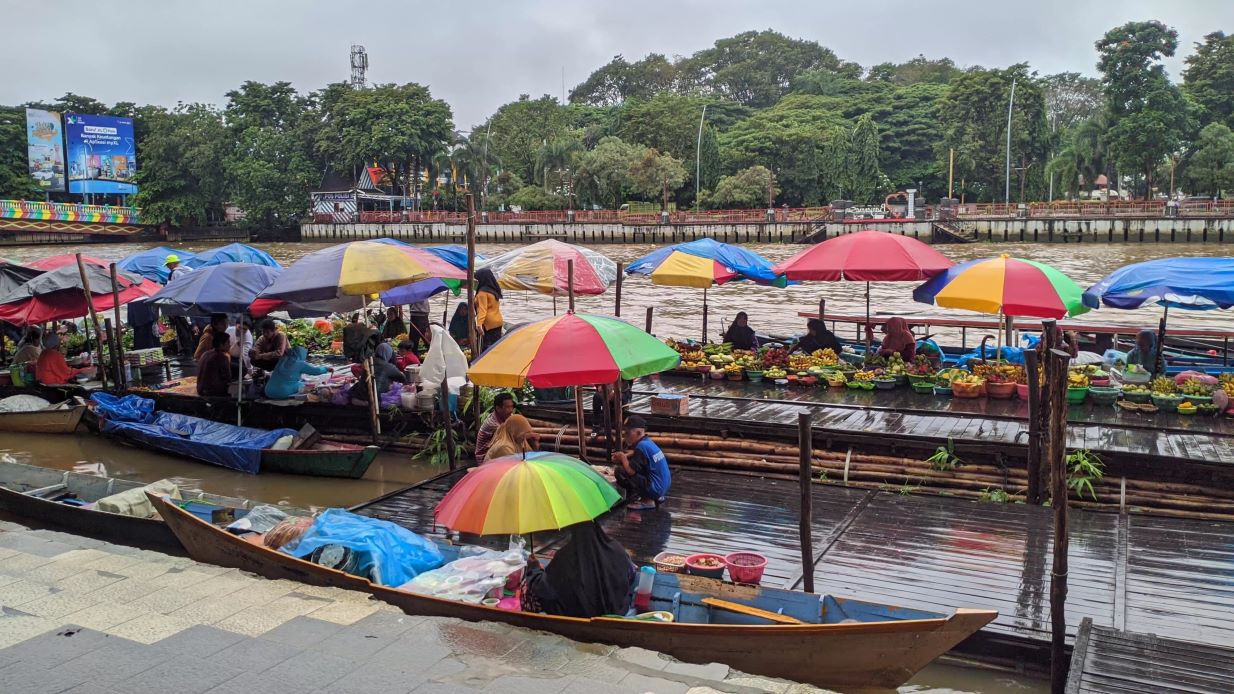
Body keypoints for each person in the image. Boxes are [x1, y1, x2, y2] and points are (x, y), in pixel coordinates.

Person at [520, 521, 635, 618]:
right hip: (617, 610)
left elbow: (544, 588)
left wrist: (534, 568)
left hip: (579, 614)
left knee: (534, 588)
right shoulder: (616, 548)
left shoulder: (565, 557)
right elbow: (631, 576)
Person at [611, 415, 670, 510]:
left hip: (655, 489)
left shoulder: (641, 447)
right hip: (663, 486)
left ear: (638, 432)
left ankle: (648, 501)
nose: (625, 436)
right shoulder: (647, 442)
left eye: (627, 433)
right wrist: (625, 455)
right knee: (639, 469)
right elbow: (638, 454)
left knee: (620, 471)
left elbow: (630, 471)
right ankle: (656, 496)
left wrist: (622, 457)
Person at [264, 345, 330, 400]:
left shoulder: (282, 360)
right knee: (304, 385)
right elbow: (316, 371)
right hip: (282, 393)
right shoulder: (300, 363)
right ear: (302, 354)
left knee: (298, 383)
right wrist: (327, 369)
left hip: (268, 391)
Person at [475, 392, 515, 463]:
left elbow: (519, 422)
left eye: (512, 406)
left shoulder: (506, 416)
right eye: (507, 407)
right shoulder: (492, 424)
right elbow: (514, 435)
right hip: (484, 458)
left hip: (495, 454)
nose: (511, 410)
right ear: (498, 408)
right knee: (507, 446)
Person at [475, 268, 504, 352]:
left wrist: (479, 324)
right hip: (498, 321)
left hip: (488, 324)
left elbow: (483, 309)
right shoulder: (494, 290)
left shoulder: (482, 293)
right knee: (496, 346)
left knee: (487, 348)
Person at [196, 331, 232, 397]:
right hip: (213, 392)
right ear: (221, 345)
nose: (230, 345)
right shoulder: (222, 357)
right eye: (228, 343)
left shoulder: (205, 353)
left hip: (200, 389)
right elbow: (228, 378)